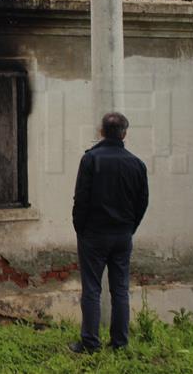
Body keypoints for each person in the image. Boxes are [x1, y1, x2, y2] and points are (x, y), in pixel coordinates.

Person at [70, 112, 148, 353]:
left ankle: (90, 343)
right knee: (120, 290)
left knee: (92, 289)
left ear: (101, 131)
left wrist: (80, 229)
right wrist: (130, 227)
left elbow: (81, 199)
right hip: (122, 234)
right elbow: (142, 202)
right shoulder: (136, 164)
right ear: (125, 133)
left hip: (94, 234)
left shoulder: (91, 160)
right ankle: (119, 343)